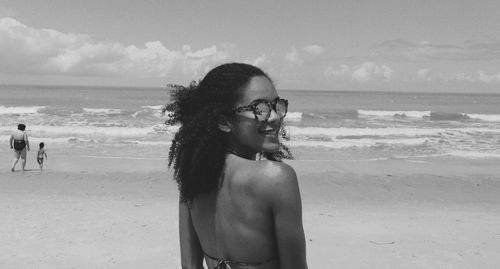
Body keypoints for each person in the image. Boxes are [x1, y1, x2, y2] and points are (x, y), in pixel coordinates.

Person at [165, 63, 308, 269]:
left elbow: (189, 265)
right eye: (259, 108)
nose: (275, 117)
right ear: (223, 121)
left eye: (276, 105)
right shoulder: (276, 177)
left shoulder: (193, 175)